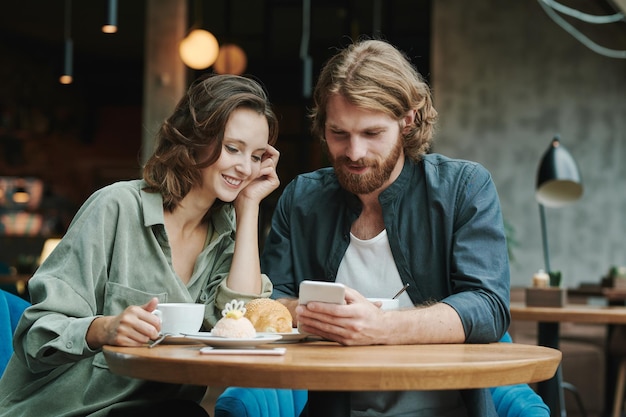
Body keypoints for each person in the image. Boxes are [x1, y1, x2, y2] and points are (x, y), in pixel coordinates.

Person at [0, 73, 280, 417]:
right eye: (233, 148)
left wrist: (249, 206)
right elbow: (36, 333)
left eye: (256, 156)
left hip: (157, 408)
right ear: (195, 138)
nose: (244, 167)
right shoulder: (115, 207)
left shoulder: (228, 233)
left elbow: (240, 321)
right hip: (65, 409)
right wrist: (105, 328)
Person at [260, 39, 510, 416]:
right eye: (338, 133)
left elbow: (488, 307)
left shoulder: (463, 188)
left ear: (407, 121)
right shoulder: (302, 200)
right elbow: (269, 300)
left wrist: (381, 327)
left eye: (372, 133)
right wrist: (302, 311)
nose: (354, 152)